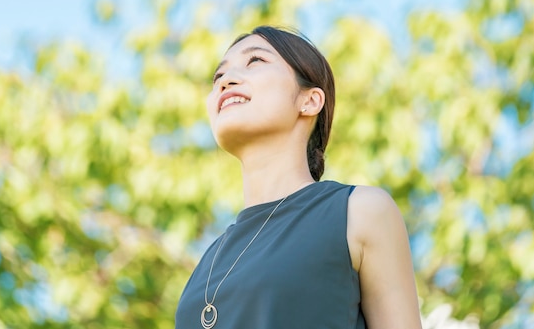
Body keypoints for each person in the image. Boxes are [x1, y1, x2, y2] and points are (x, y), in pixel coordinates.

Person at [175, 26, 422, 329]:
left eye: (256, 61)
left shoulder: (359, 211)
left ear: (309, 101)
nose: (226, 80)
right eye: (218, 77)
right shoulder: (208, 262)